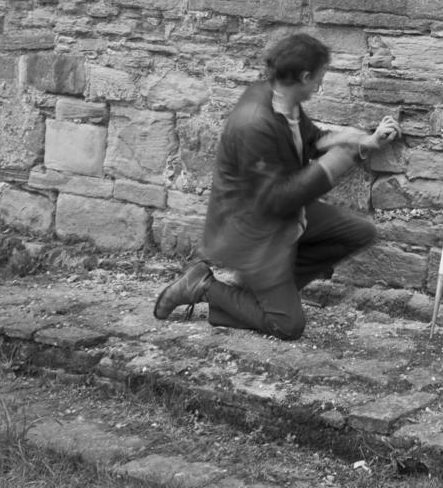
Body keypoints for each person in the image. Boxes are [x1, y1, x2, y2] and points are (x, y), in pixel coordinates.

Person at [152, 31, 398, 341]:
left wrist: (365, 141)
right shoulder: (254, 123)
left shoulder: (283, 99)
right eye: (320, 77)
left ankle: (257, 299)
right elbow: (277, 199)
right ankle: (204, 285)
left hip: (283, 217)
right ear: (306, 76)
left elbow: (310, 139)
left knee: (359, 232)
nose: (321, 84)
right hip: (254, 230)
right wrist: (341, 158)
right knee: (288, 326)